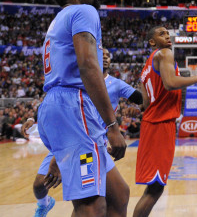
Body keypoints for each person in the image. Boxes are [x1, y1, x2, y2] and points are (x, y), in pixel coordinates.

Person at [38, 0, 127, 217]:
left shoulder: (58, 20)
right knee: (91, 204)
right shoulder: (84, 11)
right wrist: (112, 125)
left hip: (59, 108)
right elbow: (88, 66)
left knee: (118, 195)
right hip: (74, 107)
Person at [24, 48, 142, 217]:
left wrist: (144, 97)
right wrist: (33, 119)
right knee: (41, 186)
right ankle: (44, 204)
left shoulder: (115, 83)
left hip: (91, 144)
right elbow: (59, 104)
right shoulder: (78, 81)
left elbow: (140, 99)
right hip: (76, 142)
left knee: (113, 196)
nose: (106, 58)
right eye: (103, 55)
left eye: (109, 56)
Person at [133, 26, 197, 217]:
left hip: (150, 125)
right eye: (161, 34)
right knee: (155, 189)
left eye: (168, 33)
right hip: (160, 125)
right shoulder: (165, 53)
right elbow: (169, 83)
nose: (167, 36)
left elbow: (145, 104)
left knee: (154, 187)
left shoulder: (145, 68)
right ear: (152, 42)